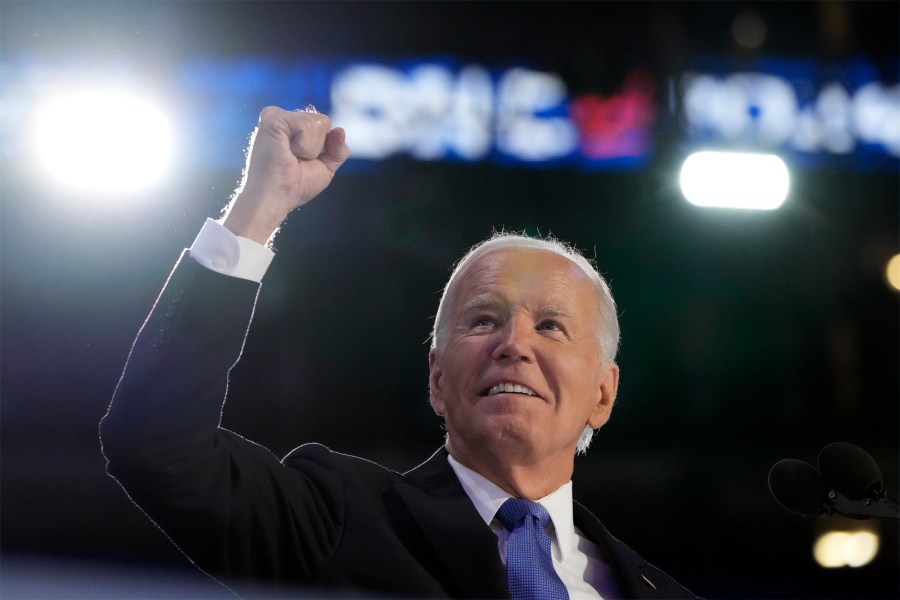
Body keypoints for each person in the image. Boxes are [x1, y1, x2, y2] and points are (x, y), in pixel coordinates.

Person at [100, 107, 696, 599]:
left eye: (551, 326)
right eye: (483, 320)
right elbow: (156, 444)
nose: (514, 344)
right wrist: (261, 205)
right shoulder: (337, 520)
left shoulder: (661, 593)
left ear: (603, 393)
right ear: (437, 378)